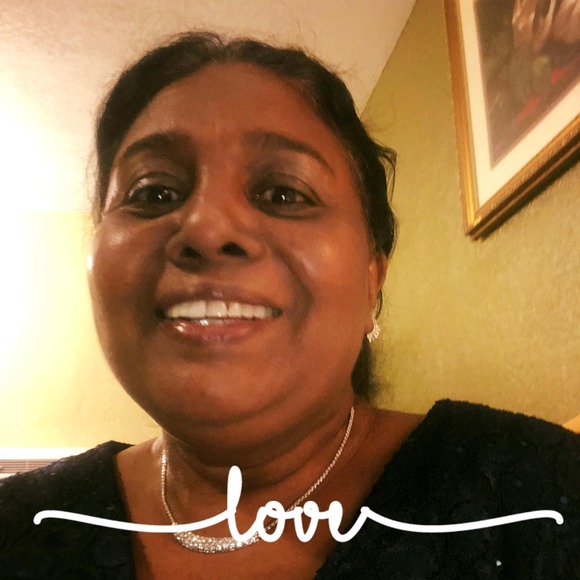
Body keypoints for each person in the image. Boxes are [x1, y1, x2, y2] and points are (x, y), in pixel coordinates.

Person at [0, 32, 578, 580]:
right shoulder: (19, 527)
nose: (206, 228)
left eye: (283, 193)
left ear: (373, 277)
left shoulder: (539, 496)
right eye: (153, 192)